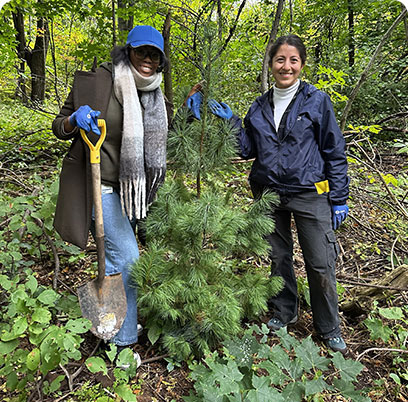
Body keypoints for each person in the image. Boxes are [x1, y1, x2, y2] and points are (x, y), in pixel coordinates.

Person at [197, 34, 350, 354]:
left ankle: (329, 327)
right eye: (280, 59)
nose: (286, 66)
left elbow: (334, 151)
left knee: (320, 262)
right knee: (279, 257)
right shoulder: (259, 106)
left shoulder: (316, 101)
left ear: (302, 65)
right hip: (268, 192)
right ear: (271, 64)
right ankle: (285, 311)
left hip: (310, 192)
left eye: (293, 60)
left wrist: (339, 196)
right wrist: (231, 123)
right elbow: (248, 148)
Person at [52, 25, 174, 363]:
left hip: (134, 193)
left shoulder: (156, 95)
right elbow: (59, 126)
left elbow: (165, 143)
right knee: (130, 259)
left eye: (154, 55)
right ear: (127, 51)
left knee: (121, 259)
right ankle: (122, 344)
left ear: (160, 61)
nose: (147, 60)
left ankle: (118, 315)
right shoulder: (98, 81)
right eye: (140, 52)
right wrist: (74, 121)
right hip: (99, 185)